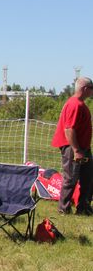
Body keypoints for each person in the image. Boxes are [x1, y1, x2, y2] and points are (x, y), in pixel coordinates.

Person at [51, 77, 93, 215]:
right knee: (71, 178)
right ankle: (64, 209)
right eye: (91, 89)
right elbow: (69, 129)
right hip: (73, 148)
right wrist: (76, 150)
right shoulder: (75, 104)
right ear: (85, 89)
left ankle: (83, 207)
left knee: (88, 178)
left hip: (83, 148)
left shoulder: (80, 104)